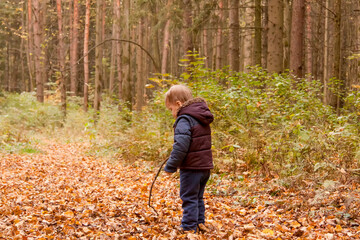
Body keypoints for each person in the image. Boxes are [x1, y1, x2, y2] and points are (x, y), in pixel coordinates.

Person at [163, 85, 214, 233]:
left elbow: (181, 146)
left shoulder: (184, 119)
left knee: (189, 197)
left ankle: (188, 227)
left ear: (178, 104)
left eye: (171, 109)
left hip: (192, 167)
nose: (172, 113)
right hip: (204, 166)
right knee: (197, 196)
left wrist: (170, 166)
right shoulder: (200, 116)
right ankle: (199, 223)